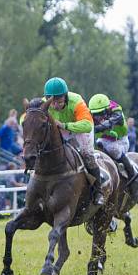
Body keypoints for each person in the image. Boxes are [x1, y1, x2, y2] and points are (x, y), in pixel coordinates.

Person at [43, 77, 105, 206]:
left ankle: (98, 191)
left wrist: (65, 125)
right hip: (61, 127)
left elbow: (87, 125)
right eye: (52, 102)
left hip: (80, 128)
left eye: (59, 102)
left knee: (87, 155)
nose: (55, 106)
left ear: (65, 97)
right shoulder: (44, 103)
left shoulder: (76, 101)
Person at [88, 93, 138, 202]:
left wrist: (95, 128)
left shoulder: (117, 112)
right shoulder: (92, 114)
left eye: (101, 113)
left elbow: (108, 124)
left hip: (120, 141)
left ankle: (134, 175)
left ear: (108, 109)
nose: (98, 117)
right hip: (103, 140)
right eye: (95, 114)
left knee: (113, 149)